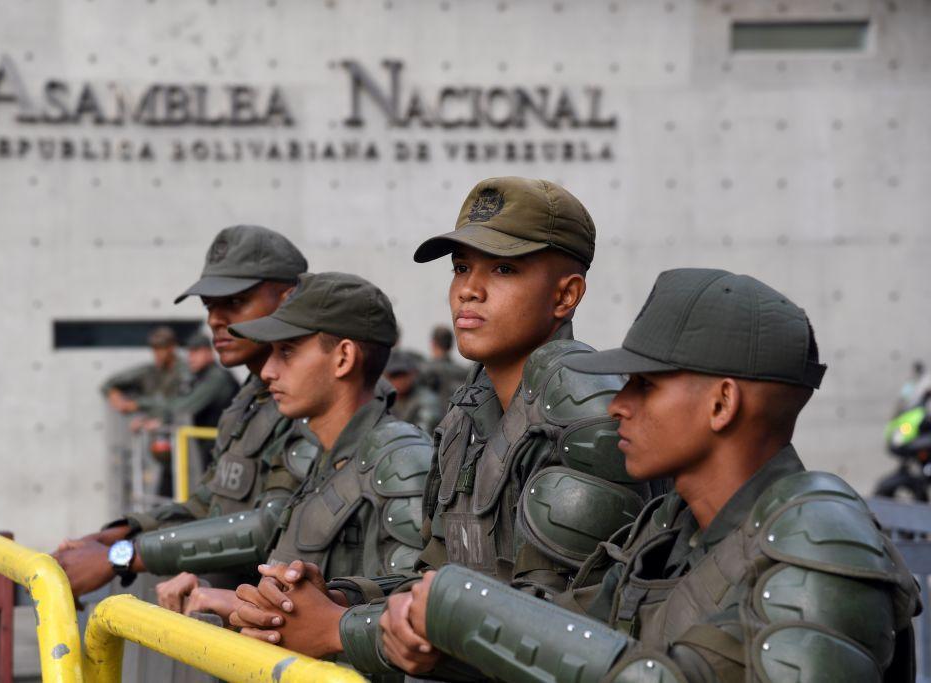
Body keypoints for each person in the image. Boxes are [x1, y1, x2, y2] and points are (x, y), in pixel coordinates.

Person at [395, 268, 922, 681]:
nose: (618, 405)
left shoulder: (821, 541)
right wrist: (417, 630)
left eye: (645, 386)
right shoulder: (669, 527)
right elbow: (572, 632)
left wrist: (460, 608)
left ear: (722, 404)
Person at [228, 177, 659, 674]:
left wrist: (336, 629)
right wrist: (339, 597)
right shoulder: (469, 412)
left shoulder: (586, 412)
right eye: (460, 268)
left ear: (566, 295)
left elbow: (563, 622)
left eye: (503, 268)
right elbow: (439, 578)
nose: (469, 290)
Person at [154, 272, 433, 626]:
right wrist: (236, 600)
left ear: (344, 358)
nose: (268, 370)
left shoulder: (399, 461)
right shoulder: (323, 457)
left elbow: (411, 620)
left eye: (287, 351)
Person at [52, 224, 309, 597]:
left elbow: (270, 527)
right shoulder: (250, 398)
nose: (214, 320)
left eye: (235, 303)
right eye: (209, 307)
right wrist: (117, 533)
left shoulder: (314, 397)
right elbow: (209, 503)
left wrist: (122, 556)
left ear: (288, 299)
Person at [101, 325, 189, 416]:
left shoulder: (184, 371)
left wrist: (138, 404)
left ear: (172, 347)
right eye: (155, 349)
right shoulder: (151, 371)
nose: (157, 354)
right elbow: (109, 384)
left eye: (161, 349)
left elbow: (177, 401)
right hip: (152, 426)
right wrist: (116, 397)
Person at [384, 349, 444, 434]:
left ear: (413, 373)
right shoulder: (385, 399)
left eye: (402, 374)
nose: (398, 381)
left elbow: (424, 431)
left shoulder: (427, 400)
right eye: (394, 375)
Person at [422, 324, 469, 410]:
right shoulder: (464, 371)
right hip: (456, 418)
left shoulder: (423, 370)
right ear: (451, 345)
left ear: (433, 343)